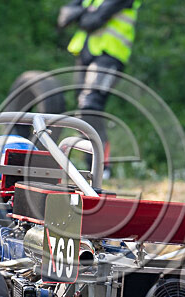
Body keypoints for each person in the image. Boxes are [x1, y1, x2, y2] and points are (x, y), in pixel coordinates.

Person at [58, 0, 141, 176]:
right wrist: (88, 11)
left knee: (90, 106)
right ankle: (91, 167)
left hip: (110, 55)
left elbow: (91, 22)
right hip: (84, 54)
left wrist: (81, 13)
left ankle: (103, 167)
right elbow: (64, 17)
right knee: (82, 110)